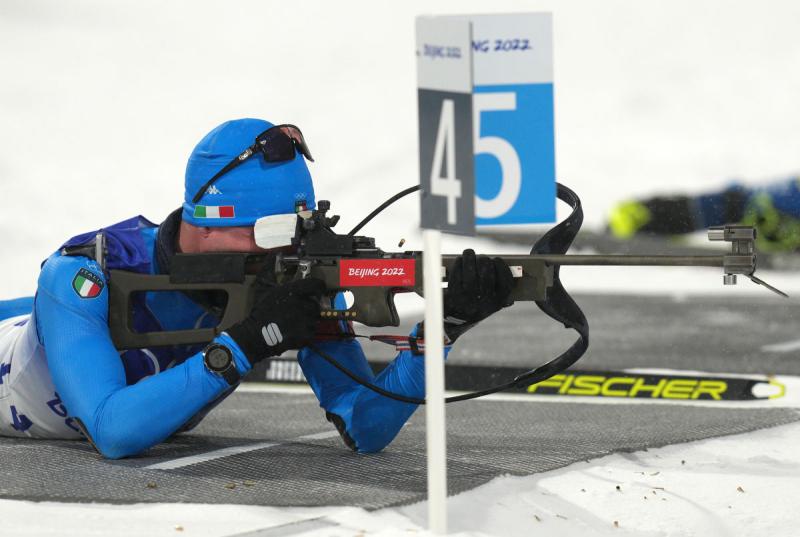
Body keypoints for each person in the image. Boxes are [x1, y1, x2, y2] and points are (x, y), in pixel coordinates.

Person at [0, 118, 514, 459]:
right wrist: (243, 347)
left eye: (297, 230)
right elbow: (112, 430)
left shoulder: (294, 274)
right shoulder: (84, 275)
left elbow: (365, 424)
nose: (282, 252)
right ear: (203, 222)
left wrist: (440, 333)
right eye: (268, 233)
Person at [607, 176, 800, 251]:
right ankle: (639, 216)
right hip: (752, 204)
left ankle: (643, 216)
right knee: (727, 204)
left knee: (728, 203)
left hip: (753, 203)